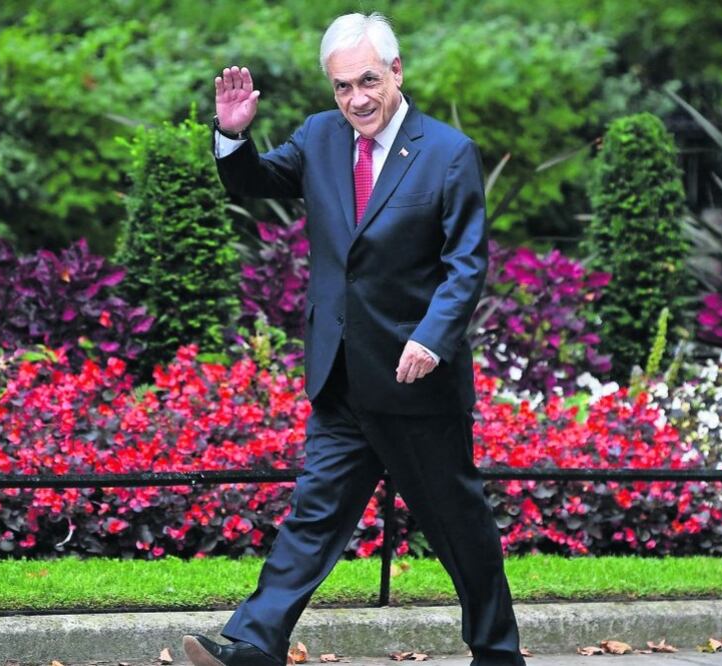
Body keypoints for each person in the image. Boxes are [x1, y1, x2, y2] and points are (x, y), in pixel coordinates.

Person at [183, 12, 525, 666]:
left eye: (368, 81)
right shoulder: (320, 136)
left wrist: (432, 338)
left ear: (396, 71)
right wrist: (232, 135)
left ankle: (497, 654)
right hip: (341, 377)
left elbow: (466, 263)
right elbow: (256, 182)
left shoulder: (447, 151)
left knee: (459, 529)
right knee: (312, 518)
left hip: (415, 381)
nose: (356, 99)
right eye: (342, 86)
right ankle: (254, 644)